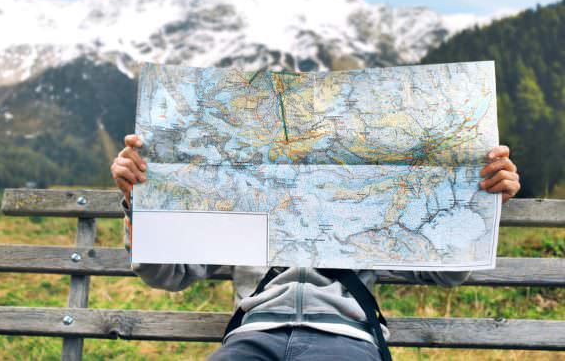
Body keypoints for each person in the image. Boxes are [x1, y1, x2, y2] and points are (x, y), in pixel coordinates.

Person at [111, 134, 521, 360]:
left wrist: (481, 201)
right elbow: (168, 272)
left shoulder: (373, 196)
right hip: (252, 335)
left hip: (346, 336)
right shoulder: (238, 188)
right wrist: (141, 201)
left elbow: (443, 271)